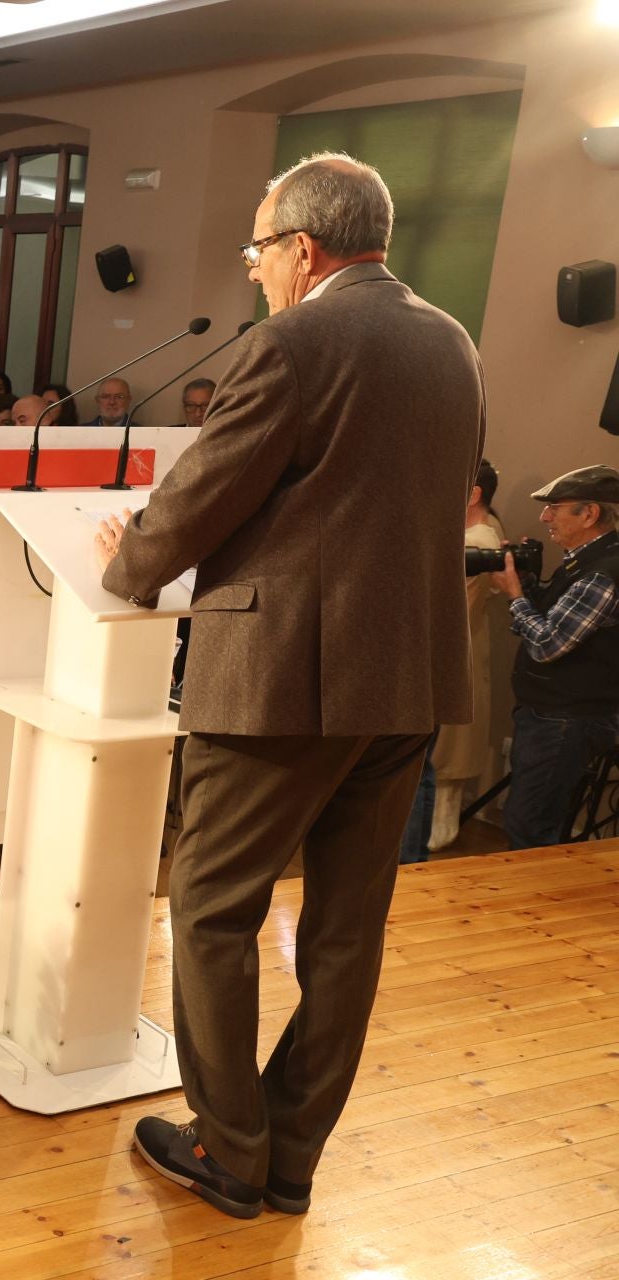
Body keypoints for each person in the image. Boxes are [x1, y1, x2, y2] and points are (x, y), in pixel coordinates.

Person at [93, 154, 483, 1219]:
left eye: (260, 250)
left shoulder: (294, 340)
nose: (257, 271)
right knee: (347, 932)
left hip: (279, 682)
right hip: (406, 677)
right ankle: (292, 1149)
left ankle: (229, 1150)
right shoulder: (451, 341)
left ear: (303, 250)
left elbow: (203, 495)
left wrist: (124, 558)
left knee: (214, 907)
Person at [490, 465, 619, 852]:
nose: (545, 517)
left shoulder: (602, 573)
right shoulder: (585, 560)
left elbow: (547, 644)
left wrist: (514, 596)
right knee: (534, 819)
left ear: (589, 513)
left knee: (529, 825)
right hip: (556, 714)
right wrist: (531, 587)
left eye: (555, 508)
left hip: (564, 719)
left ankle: (531, 907)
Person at [424, 459, 507, 849]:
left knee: (443, 763)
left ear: (473, 494)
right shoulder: (481, 534)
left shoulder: (480, 542)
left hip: (455, 655)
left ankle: (432, 836)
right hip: (456, 655)